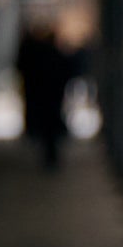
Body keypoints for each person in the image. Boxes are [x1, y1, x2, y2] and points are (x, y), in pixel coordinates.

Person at [14, 17, 78, 171]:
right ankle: (51, 156)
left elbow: (20, 68)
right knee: (50, 126)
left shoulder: (33, 53)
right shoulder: (54, 53)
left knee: (46, 126)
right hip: (52, 96)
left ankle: (49, 155)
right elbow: (67, 70)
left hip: (40, 95)